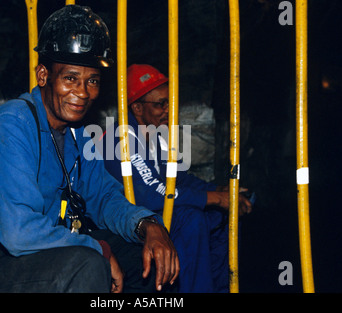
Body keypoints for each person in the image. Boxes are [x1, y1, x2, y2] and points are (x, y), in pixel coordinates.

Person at [0, 7, 179, 293]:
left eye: (92, 81)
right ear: (43, 75)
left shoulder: (78, 133)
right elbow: (18, 232)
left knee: (149, 260)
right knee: (88, 264)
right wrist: (98, 247)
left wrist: (147, 225)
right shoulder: (10, 127)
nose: (83, 92)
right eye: (70, 78)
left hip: (42, 253)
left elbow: (103, 197)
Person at [101, 64, 252, 293]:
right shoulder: (121, 139)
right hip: (127, 222)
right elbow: (150, 194)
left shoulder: (156, 135)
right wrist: (214, 198)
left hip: (152, 211)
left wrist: (221, 192)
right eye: (160, 104)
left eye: (170, 102)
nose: (168, 110)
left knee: (223, 214)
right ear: (137, 108)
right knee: (190, 218)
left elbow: (179, 179)